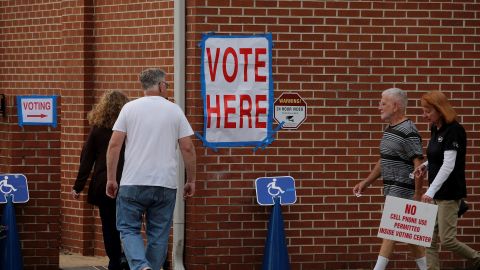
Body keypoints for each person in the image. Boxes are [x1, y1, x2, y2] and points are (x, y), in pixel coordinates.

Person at [106, 68, 196, 270]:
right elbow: (188, 147)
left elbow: (114, 145)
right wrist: (191, 180)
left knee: (128, 229)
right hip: (165, 183)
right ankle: (151, 268)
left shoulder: (129, 109)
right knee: (159, 233)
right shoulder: (174, 110)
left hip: (133, 182)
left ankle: (140, 266)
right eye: (167, 85)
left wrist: (111, 178)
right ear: (161, 85)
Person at [352, 88, 427, 270]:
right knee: (409, 238)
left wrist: (417, 195)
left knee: (391, 231)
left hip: (404, 190)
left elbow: (419, 164)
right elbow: (384, 160)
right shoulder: (390, 129)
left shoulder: (409, 130)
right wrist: (366, 182)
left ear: (395, 106)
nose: (379, 107)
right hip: (393, 188)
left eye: (383, 103)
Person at [414, 91, 480, 270]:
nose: (424, 115)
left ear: (440, 110)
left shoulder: (454, 130)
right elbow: (438, 157)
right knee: (429, 239)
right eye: (423, 110)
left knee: (447, 239)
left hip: (449, 193)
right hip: (436, 193)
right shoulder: (435, 128)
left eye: (427, 111)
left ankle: (477, 258)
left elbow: (449, 165)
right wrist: (425, 166)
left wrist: (429, 192)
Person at [72, 90, 130, 270]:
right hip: (130, 180)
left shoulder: (97, 130)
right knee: (129, 225)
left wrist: (78, 187)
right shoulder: (131, 129)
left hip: (104, 183)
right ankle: (128, 258)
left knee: (109, 225)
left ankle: (114, 260)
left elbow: (86, 159)